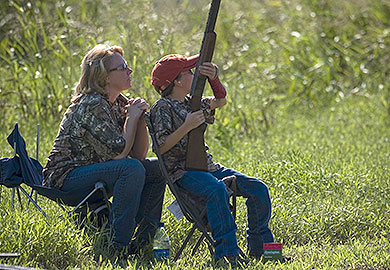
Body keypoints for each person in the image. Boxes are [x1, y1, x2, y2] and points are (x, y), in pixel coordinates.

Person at [149, 54, 275, 264]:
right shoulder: (162, 108)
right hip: (184, 172)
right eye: (189, 72)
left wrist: (214, 78)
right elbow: (161, 147)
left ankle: (263, 250)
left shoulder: (193, 102)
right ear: (177, 81)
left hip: (208, 168)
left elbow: (221, 100)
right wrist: (187, 126)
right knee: (216, 189)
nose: (194, 74)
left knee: (258, 188)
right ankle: (227, 255)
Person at [42, 44, 166, 256]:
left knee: (157, 168)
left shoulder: (118, 102)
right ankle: (118, 246)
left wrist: (140, 120)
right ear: (105, 77)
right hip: (66, 178)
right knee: (131, 169)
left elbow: (139, 155)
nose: (130, 71)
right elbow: (118, 154)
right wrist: (132, 118)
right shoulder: (92, 104)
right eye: (123, 67)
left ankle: (144, 241)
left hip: (97, 171)